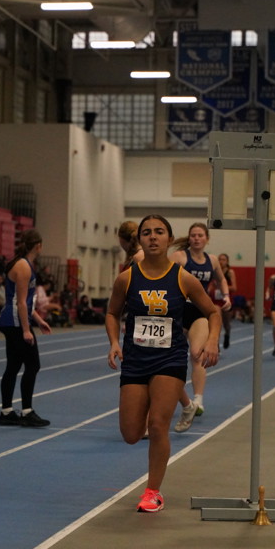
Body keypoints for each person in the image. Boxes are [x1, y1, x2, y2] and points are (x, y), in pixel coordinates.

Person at [105, 214, 220, 512]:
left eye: (159, 232)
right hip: (135, 360)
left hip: (169, 359)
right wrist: (114, 342)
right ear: (139, 240)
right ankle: (150, 404)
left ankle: (153, 492)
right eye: (147, 233)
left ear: (169, 239)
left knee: (157, 425)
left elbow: (213, 312)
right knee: (131, 434)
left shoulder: (182, 277)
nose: (153, 237)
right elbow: (112, 313)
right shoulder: (127, 278)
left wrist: (212, 340)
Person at [169, 222, 230, 433]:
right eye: (193, 235)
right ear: (189, 238)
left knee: (197, 354)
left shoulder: (212, 260)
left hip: (199, 312)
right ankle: (178, 397)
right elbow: (164, 276)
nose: (196, 238)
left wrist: (226, 296)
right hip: (178, 311)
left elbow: (221, 279)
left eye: (200, 235)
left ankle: (198, 400)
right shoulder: (179, 257)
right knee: (170, 356)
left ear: (207, 239)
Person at [0, 229, 52, 427]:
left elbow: (25, 302)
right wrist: (26, 330)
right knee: (33, 364)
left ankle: (6, 411)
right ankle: (27, 411)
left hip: (13, 320)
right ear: (38, 246)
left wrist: (38, 320)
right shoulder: (23, 266)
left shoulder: (23, 264)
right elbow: (20, 302)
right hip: (15, 321)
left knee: (13, 366)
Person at [214, 253, 237, 348]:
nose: (221, 261)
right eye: (219, 259)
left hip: (226, 301)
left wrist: (223, 287)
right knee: (217, 323)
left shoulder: (230, 272)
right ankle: (216, 344)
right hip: (216, 301)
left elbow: (234, 288)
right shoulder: (214, 271)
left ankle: (227, 334)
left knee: (226, 324)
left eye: (223, 260)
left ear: (227, 262)